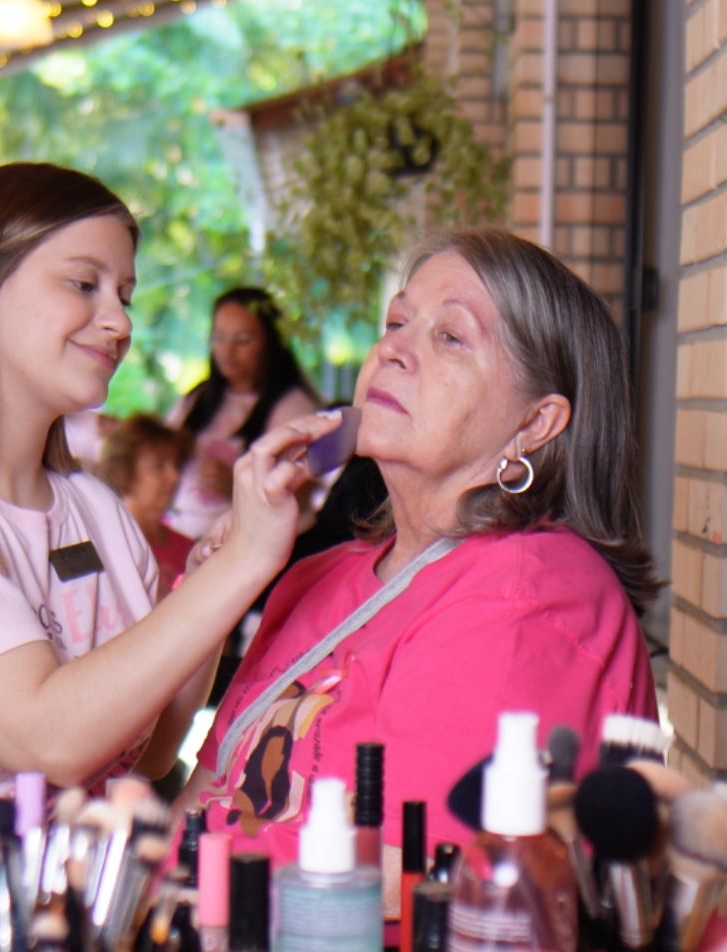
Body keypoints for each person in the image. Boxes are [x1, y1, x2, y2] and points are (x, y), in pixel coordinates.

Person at [0, 163, 341, 830]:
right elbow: (50, 739)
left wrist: (207, 585)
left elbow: (148, 754)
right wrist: (241, 568)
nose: (117, 322)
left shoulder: (94, 513)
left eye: (125, 295)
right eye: (84, 285)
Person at [174, 228, 661, 917]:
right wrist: (223, 578)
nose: (393, 350)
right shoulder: (319, 576)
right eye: (396, 322)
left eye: (450, 337)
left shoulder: (531, 592)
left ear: (535, 423)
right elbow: (208, 797)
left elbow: (416, 880)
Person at [166, 287, 320, 541]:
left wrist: (239, 490)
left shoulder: (294, 408)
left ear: (270, 343)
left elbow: (300, 496)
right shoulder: (198, 398)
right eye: (218, 338)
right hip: (183, 540)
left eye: (243, 340)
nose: (227, 351)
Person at [97, 413, 194, 601]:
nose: (174, 477)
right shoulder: (106, 542)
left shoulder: (189, 550)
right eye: (159, 466)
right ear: (125, 471)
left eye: (177, 466)